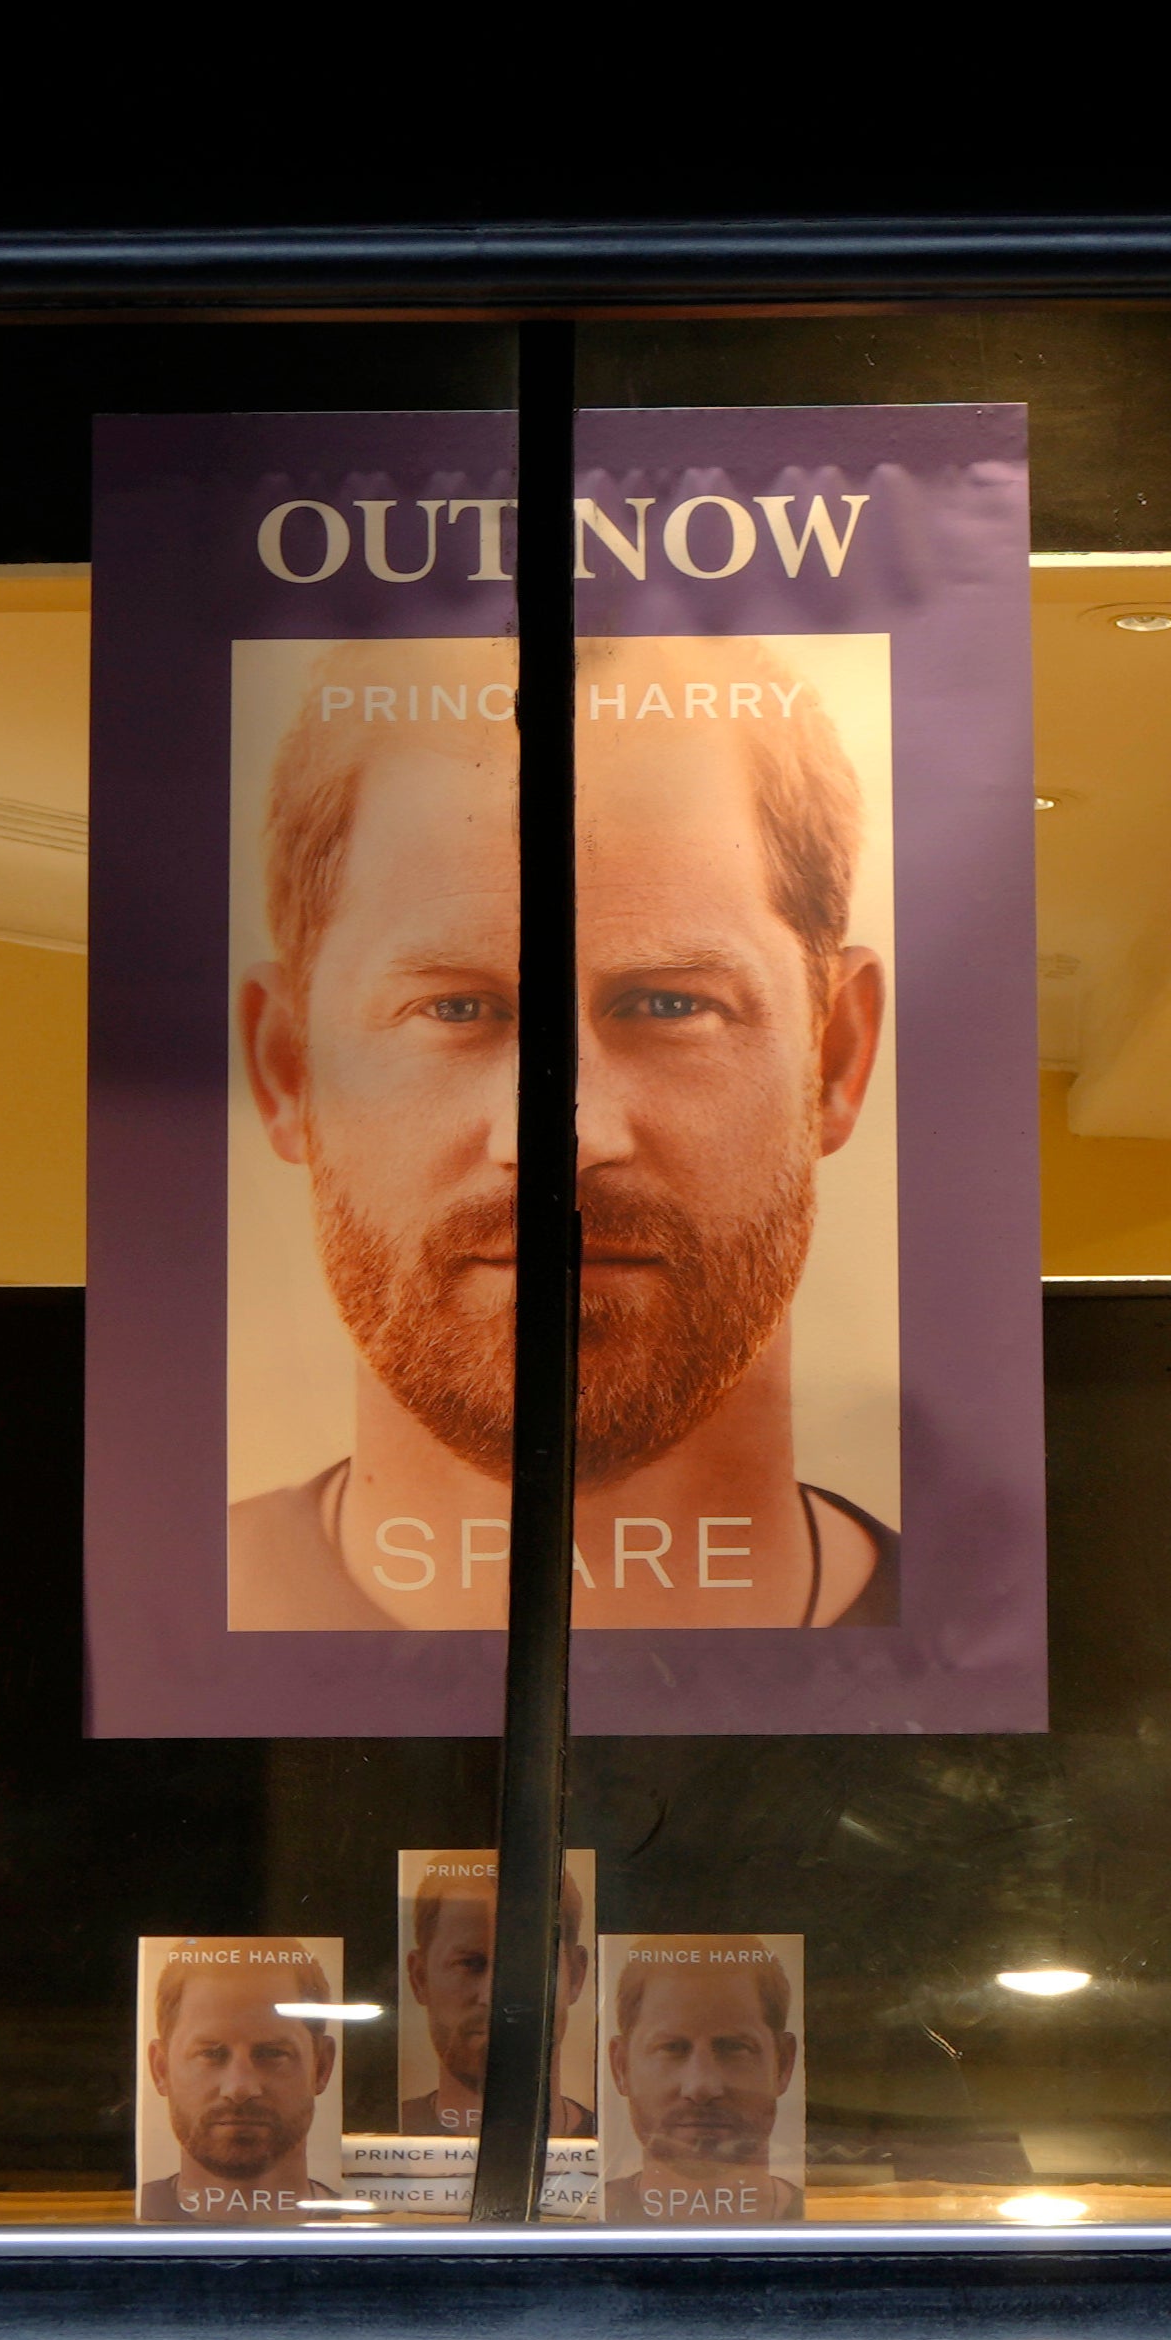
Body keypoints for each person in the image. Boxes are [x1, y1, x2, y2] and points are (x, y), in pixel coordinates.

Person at [228, 635, 898, 1630]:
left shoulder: (997, 1635)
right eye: (455, 1010)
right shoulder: (153, 1617)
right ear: (288, 1072)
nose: (558, 1140)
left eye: (671, 1004)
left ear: (834, 1057)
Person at [598, 1942, 807, 2222]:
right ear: (620, 2066)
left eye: (734, 2047)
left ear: (783, 2064)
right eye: (671, 2048)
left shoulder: (836, 2221)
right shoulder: (581, 2216)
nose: (701, 2086)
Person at [393, 1854, 591, 2139]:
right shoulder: (376, 2132)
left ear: (576, 1974)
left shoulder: (613, 2148)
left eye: (526, 1965)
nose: (492, 1996)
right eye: (469, 1964)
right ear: (419, 1977)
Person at [136, 1945, 336, 2221]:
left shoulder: (368, 2226)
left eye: (272, 2053)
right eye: (211, 2054)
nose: (240, 2088)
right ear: (160, 2069)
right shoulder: (125, 2216)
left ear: (322, 2066)